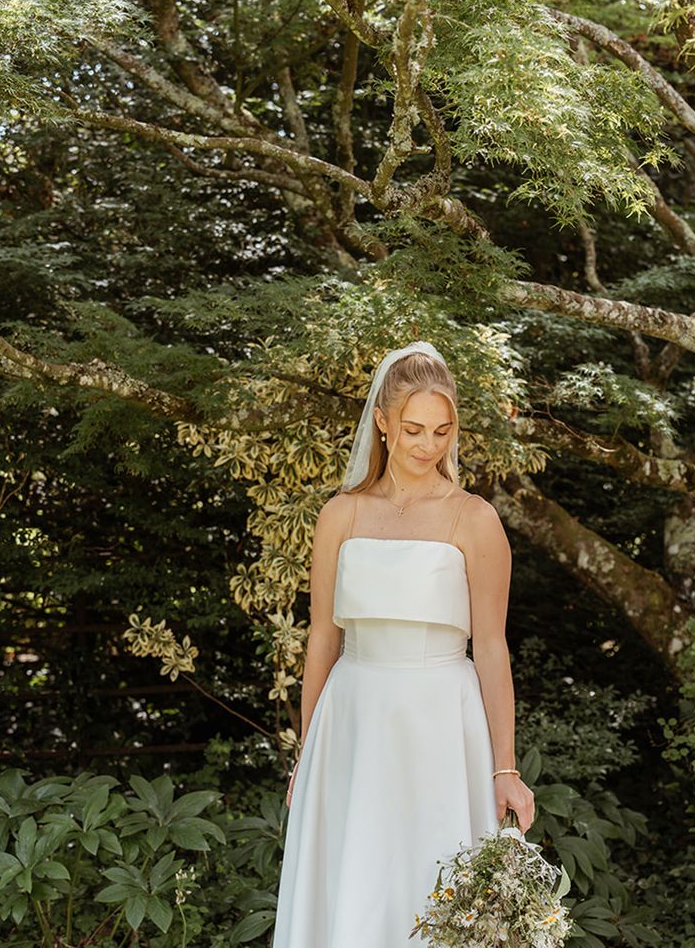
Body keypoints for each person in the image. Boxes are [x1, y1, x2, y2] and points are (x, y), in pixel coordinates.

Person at [270, 340, 536, 947]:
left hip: (443, 720)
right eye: (414, 429)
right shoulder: (340, 514)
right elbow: (321, 638)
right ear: (383, 424)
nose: (428, 445)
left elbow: (492, 648)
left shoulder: (475, 519)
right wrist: (308, 751)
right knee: (355, 879)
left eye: (442, 431)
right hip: (353, 718)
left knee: (434, 876)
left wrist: (504, 766)